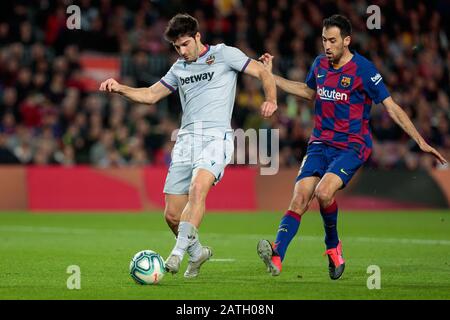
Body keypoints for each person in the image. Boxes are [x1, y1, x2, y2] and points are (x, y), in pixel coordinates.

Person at [257, 14, 447, 280]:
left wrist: (420, 141)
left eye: (332, 40)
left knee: (323, 193)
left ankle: (333, 246)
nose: (327, 45)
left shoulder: (364, 70)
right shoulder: (319, 64)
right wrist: (270, 76)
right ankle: (277, 256)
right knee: (300, 196)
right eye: (324, 40)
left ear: (346, 40)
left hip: (351, 145)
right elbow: (308, 91)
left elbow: (391, 107)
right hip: (319, 144)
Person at [100, 13, 277, 278]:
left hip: (217, 137)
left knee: (198, 187)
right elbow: (150, 95)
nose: (181, 51)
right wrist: (120, 88)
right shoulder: (178, 69)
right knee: (171, 215)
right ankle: (197, 253)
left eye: (185, 44)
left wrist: (271, 99)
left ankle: (177, 254)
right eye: (176, 47)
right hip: (185, 140)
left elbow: (262, 71)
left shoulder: (224, 54)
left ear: (197, 37)